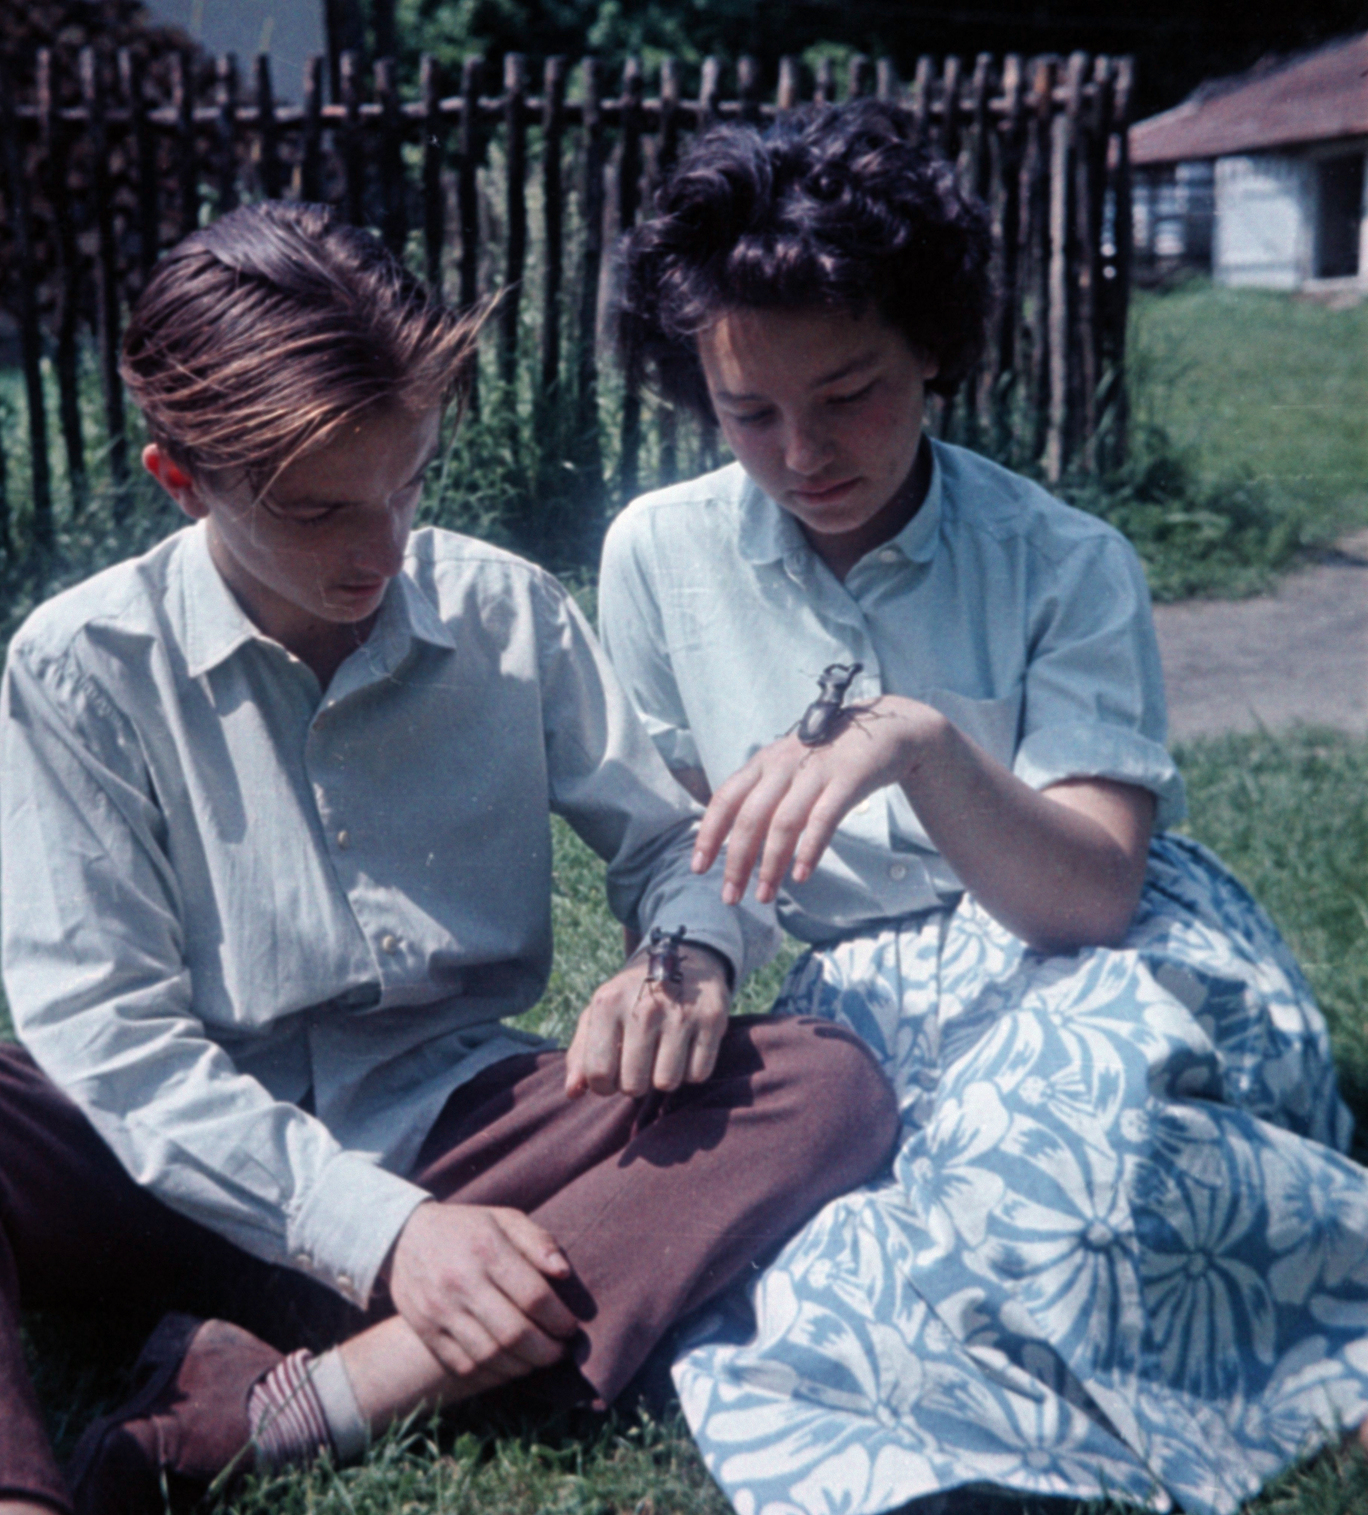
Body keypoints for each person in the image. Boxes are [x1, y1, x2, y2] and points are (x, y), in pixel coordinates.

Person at [0, 201, 901, 1515]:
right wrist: (384, 1234)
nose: (379, 551)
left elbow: (672, 845)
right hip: (168, 1167)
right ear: (179, 480)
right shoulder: (84, 664)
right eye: (316, 511)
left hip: (461, 1133)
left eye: (406, 485)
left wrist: (685, 952)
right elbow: (111, 1036)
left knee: (818, 1082)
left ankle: (312, 1402)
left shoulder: (503, 610)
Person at [600, 99, 1368, 1515]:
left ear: (938, 350)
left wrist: (917, 744)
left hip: (1080, 944)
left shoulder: (1064, 561)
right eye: (747, 413)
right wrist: (691, 953)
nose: (801, 453)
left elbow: (1089, 892)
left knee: (1081, 1134)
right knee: (822, 1236)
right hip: (862, 991)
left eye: (851, 394)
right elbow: (696, 851)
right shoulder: (659, 555)